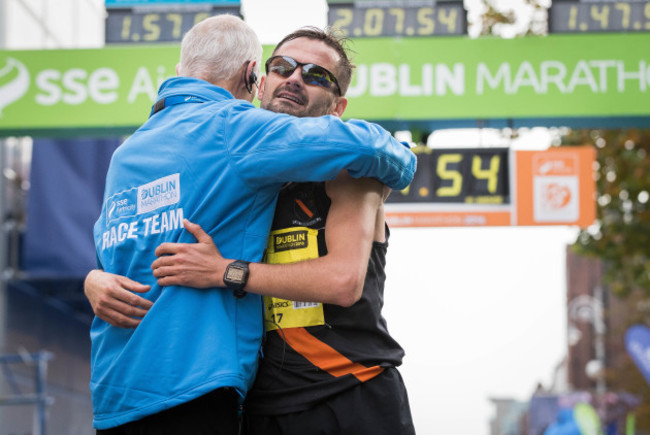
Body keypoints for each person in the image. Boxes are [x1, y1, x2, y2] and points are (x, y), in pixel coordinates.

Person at [88, 15, 415, 435]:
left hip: (349, 393)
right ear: (258, 81)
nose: (295, 78)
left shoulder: (351, 174)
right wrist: (94, 278)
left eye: (316, 75)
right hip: (260, 405)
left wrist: (226, 271)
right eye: (282, 66)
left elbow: (343, 281)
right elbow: (138, 232)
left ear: (338, 107)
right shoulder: (235, 175)